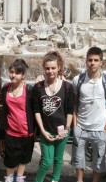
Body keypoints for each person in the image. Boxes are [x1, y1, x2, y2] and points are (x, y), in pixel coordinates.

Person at [72, 46, 106, 182]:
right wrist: (75, 126)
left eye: (96, 60)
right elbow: (74, 104)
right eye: (90, 60)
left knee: (99, 160)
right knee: (79, 159)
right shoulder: (78, 80)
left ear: (101, 62)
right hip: (81, 127)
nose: (92, 63)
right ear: (86, 61)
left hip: (100, 128)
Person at [33, 51, 74, 182]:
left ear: (59, 68)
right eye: (47, 68)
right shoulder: (37, 87)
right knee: (46, 161)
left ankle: (55, 180)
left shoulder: (68, 87)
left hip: (63, 130)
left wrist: (67, 128)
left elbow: (69, 110)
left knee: (58, 159)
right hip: (46, 131)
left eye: (53, 68)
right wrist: (42, 131)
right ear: (43, 68)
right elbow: (37, 111)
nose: (50, 71)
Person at [1, 59, 35, 182]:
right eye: (11, 72)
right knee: (10, 158)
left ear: (23, 75)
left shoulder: (29, 90)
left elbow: (35, 110)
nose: (13, 75)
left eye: (17, 73)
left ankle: (20, 177)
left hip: (27, 132)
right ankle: (9, 178)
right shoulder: (5, 88)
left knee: (24, 158)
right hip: (11, 131)